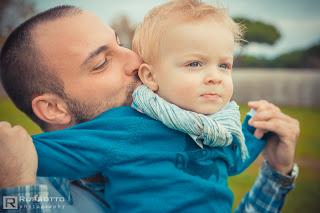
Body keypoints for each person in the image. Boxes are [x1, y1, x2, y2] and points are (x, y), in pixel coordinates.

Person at [0, 3, 299, 213]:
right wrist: (15, 194)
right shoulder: (29, 193)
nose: (134, 60)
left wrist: (276, 172)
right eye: (102, 62)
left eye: (120, 43)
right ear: (53, 108)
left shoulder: (183, 128)